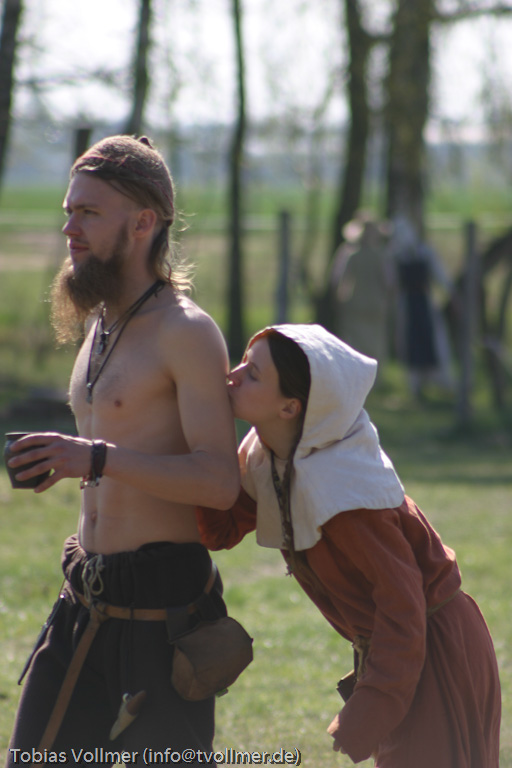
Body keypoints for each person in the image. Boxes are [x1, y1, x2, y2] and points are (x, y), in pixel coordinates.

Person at [5, 135, 240, 758]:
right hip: (84, 596)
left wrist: (96, 458)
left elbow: (220, 482)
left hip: (163, 613)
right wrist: (60, 461)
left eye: (88, 213)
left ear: (143, 223)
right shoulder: (99, 322)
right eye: (68, 210)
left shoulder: (186, 331)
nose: (69, 228)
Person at [196, 323, 501, 767]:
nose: (233, 375)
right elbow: (220, 531)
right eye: (243, 361)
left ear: (290, 407)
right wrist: (201, 440)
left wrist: (369, 710)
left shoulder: (344, 493)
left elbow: (403, 608)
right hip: (401, 648)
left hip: (434, 647)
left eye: (253, 374)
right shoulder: (270, 455)